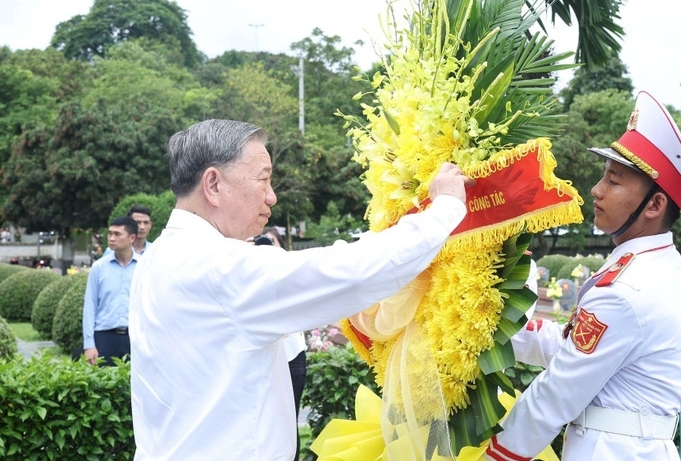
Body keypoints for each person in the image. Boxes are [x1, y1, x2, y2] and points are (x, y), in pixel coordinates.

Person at [128, 119, 473, 461]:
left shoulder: (158, 257)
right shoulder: (218, 267)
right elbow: (349, 274)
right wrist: (444, 208)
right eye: (263, 179)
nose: (272, 197)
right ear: (214, 184)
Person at [485, 91, 681, 461]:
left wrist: (494, 456)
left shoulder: (627, 288)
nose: (596, 189)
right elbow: (578, 351)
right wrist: (494, 329)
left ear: (655, 204)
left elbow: (556, 393)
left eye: (614, 181)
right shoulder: (658, 268)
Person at [254, 226, 308, 461]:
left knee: (288, 421)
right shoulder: (246, 276)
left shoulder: (290, 273)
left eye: (271, 241)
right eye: (260, 241)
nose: (265, 245)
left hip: (292, 354)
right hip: (263, 358)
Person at [82, 216, 140, 367]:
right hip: (104, 337)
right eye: (110, 233)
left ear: (132, 238)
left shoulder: (143, 266)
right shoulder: (99, 267)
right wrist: (89, 344)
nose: (112, 238)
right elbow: (90, 306)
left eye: (117, 234)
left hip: (135, 337)